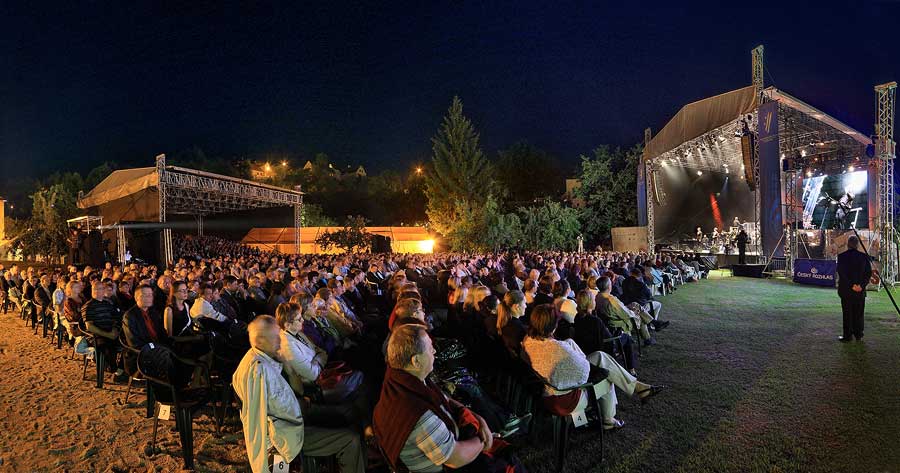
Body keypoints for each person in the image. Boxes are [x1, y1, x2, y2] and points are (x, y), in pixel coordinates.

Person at [373, 323, 518, 473]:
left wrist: (478, 419)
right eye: (430, 348)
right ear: (416, 361)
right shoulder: (416, 413)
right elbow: (456, 458)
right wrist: (483, 439)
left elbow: (446, 399)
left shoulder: (404, 382)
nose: (434, 351)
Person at [232, 315, 365, 473]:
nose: (280, 341)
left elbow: (298, 391)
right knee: (351, 439)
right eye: (275, 337)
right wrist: (269, 465)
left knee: (351, 413)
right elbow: (255, 423)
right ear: (260, 340)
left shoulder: (268, 357)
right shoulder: (257, 371)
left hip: (299, 415)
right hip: (288, 436)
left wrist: (287, 366)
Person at [522, 304, 664, 430]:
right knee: (607, 376)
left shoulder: (528, 341)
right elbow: (584, 373)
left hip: (549, 391)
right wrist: (575, 351)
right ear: (553, 326)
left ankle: (638, 388)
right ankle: (609, 420)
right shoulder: (558, 348)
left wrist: (571, 345)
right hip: (564, 400)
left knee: (600, 357)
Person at [836, 235, 872, 342]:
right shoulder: (864, 256)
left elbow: (842, 273)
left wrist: (852, 285)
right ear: (857, 245)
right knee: (859, 313)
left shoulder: (842, 256)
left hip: (846, 290)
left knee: (847, 313)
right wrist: (861, 285)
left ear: (848, 244)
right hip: (859, 291)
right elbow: (868, 273)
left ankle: (847, 336)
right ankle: (858, 334)